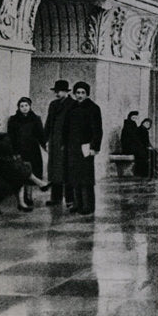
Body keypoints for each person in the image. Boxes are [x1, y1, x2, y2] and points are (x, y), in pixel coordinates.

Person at [0, 117, 48, 212]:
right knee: (20, 170)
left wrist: (15, 156)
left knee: (21, 169)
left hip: (9, 162)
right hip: (1, 163)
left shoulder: (4, 136)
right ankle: (39, 184)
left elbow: (12, 149)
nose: (1, 126)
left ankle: (23, 203)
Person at [63, 81, 103, 216]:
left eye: (83, 93)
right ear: (74, 93)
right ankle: (77, 203)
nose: (80, 95)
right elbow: (66, 128)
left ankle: (88, 205)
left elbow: (98, 130)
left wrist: (94, 147)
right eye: (78, 93)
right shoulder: (71, 108)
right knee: (74, 176)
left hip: (86, 147)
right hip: (72, 147)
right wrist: (64, 144)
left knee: (86, 177)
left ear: (87, 94)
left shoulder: (93, 108)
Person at [8, 97, 46, 209]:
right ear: (18, 108)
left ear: (30, 106)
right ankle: (22, 198)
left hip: (33, 150)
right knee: (22, 173)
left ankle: (29, 197)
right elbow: (11, 137)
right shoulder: (13, 120)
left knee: (32, 171)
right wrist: (13, 152)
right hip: (19, 150)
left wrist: (45, 146)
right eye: (22, 106)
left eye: (26, 106)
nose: (24, 108)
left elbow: (41, 135)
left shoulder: (36, 119)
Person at [44, 80, 74, 209]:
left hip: (66, 142)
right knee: (55, 171)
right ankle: (55, 198)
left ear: (66, 91)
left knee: (66, 170)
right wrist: (44, 139)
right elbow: (48, 122)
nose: (56, 93)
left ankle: (70, 199)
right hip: (54, 142)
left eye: (59, 91)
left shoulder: (72, 104)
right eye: (55, 91)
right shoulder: (53, 104)